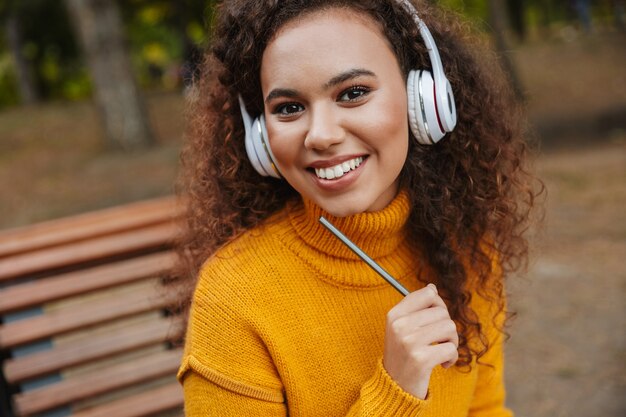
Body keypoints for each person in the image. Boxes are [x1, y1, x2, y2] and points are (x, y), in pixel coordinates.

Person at [174, 0, 541, 415]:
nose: (322, 135)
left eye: (353, 93)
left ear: (423, 98)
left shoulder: (466, 247)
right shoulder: (233, 299)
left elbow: (485, 409)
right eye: (289, 108)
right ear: (260, 137)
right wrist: (396, 391)